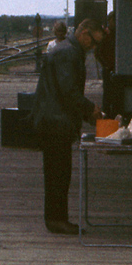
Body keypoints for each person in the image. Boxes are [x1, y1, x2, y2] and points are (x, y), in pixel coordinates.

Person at [30, 18, 103, 234]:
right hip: (55, 121)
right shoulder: (68, 53)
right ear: (84, 34)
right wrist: (90, 109)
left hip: (55, 119)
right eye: (93, 42)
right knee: (58, 174)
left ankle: (56, 218)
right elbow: (68, 91)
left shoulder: (67, 50)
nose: (94, 48)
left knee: (59, 172)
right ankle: (55, 219)